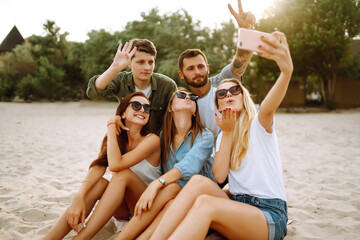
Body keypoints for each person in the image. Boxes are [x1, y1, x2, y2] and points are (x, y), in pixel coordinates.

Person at [150, 30, 293, 240]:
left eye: (234, 91)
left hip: (269, 213)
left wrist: (286, 72)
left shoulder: (259, 123)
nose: (228, 95)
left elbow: (270, 106)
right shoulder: (221, 136)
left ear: (243, 97)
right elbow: (218, 176)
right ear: (217, 104)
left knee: (205, 205)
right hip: (237, 207)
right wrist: (226, 132)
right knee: (198, 183)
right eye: (222, 94)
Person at [43, 92, 170, 240]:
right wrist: (79, 196)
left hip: (146, 206)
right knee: (101, 183)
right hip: (123, 210)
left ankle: (81, 238)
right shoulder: (116, 139)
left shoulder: (152, 140)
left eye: (147, 108)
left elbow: (116, 165)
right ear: (123, 113)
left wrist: (110, 125)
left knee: (122, 174)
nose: (142, 110)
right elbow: (99, 165)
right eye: (136, 105)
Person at [114, 88, 215, 240]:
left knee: (172, 186)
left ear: (195, 111)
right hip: (173, 202)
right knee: (170, 198)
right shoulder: (164, 136)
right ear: (170, 107)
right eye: (181, 95)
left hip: (199, 199)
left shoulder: (205, 135)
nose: (188, 98)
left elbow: (189, 167)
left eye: (193, 97)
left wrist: (157, 183)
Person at [178, 0, 255, 139]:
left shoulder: (223, 82)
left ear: (207, 68)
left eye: (200, 66)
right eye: (190, 68)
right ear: (181, 74)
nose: (197, 72)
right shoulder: (184, 101)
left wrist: (246, 31)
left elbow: (243, 56)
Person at [86, 39, 177, 135]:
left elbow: (176, 119)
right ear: (129, 63)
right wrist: (115, 67)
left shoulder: (167, 85)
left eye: (150, 62)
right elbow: (93, 93)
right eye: (141, 62)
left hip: (156, 142)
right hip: (127, 138)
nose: (147, 67)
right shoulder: (122, 79)